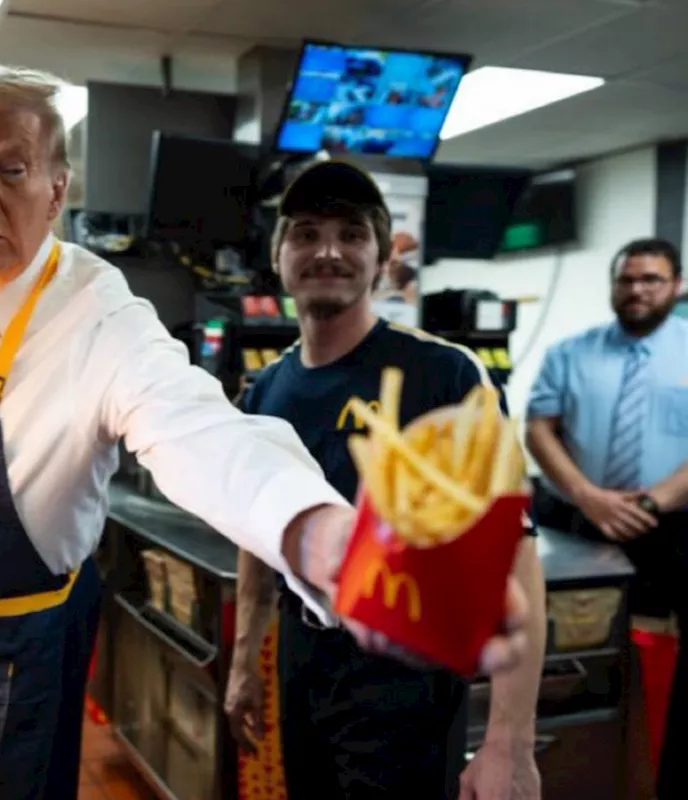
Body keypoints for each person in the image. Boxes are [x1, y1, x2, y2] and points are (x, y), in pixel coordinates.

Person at [0, 66, 531, 800]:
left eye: (11, 169)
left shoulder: (97, 316)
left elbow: (202, 431)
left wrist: (314, 530)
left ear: (57, 189)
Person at [226, 160, 547, 799]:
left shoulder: (445, 375)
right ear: (278, 255)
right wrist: (245, 659)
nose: (327, 250)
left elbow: (513, 561)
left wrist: (509, 744)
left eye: (351, 234)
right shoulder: (266, 388)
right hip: (303, 658)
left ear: (380, 259)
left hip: (406, 673)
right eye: (306, 232)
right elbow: (259, 536)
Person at [524, 237, 688, 799]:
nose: (637, 290)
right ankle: (567, 763)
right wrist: (589, 496)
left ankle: (642, 771)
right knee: (569, 656)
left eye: (652, 280)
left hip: (665, 531)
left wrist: (650, 502)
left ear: (677, 285)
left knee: (651, 660)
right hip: (577, 527)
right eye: (627, 279)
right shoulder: (571, 352)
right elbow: (539, 427)